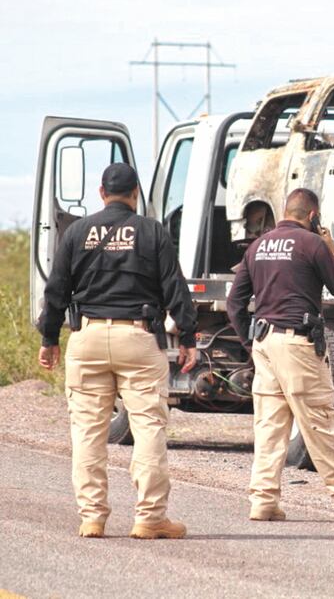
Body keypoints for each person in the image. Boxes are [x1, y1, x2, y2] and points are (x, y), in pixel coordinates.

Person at [37, 162, 198, 538]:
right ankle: (150, 517)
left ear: (100, 193)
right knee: (148, 429)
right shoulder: (152, 232)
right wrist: (188, 337)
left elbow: (56, 290)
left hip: (87, 337)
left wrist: (49, 339)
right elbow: (175, 288)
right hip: (138, 338)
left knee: (88, 432)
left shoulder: (76, 232)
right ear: (136, 194)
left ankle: (92, 516)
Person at [227, 188, 334, 521]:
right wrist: (330, 248)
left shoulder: (257, 246)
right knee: (321, 421)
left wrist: (249, 342)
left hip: (265, 343)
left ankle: (263, 500)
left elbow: (234, 303)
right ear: (313, 217)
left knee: (270, 425)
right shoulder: (313, 244)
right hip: (297, 343)